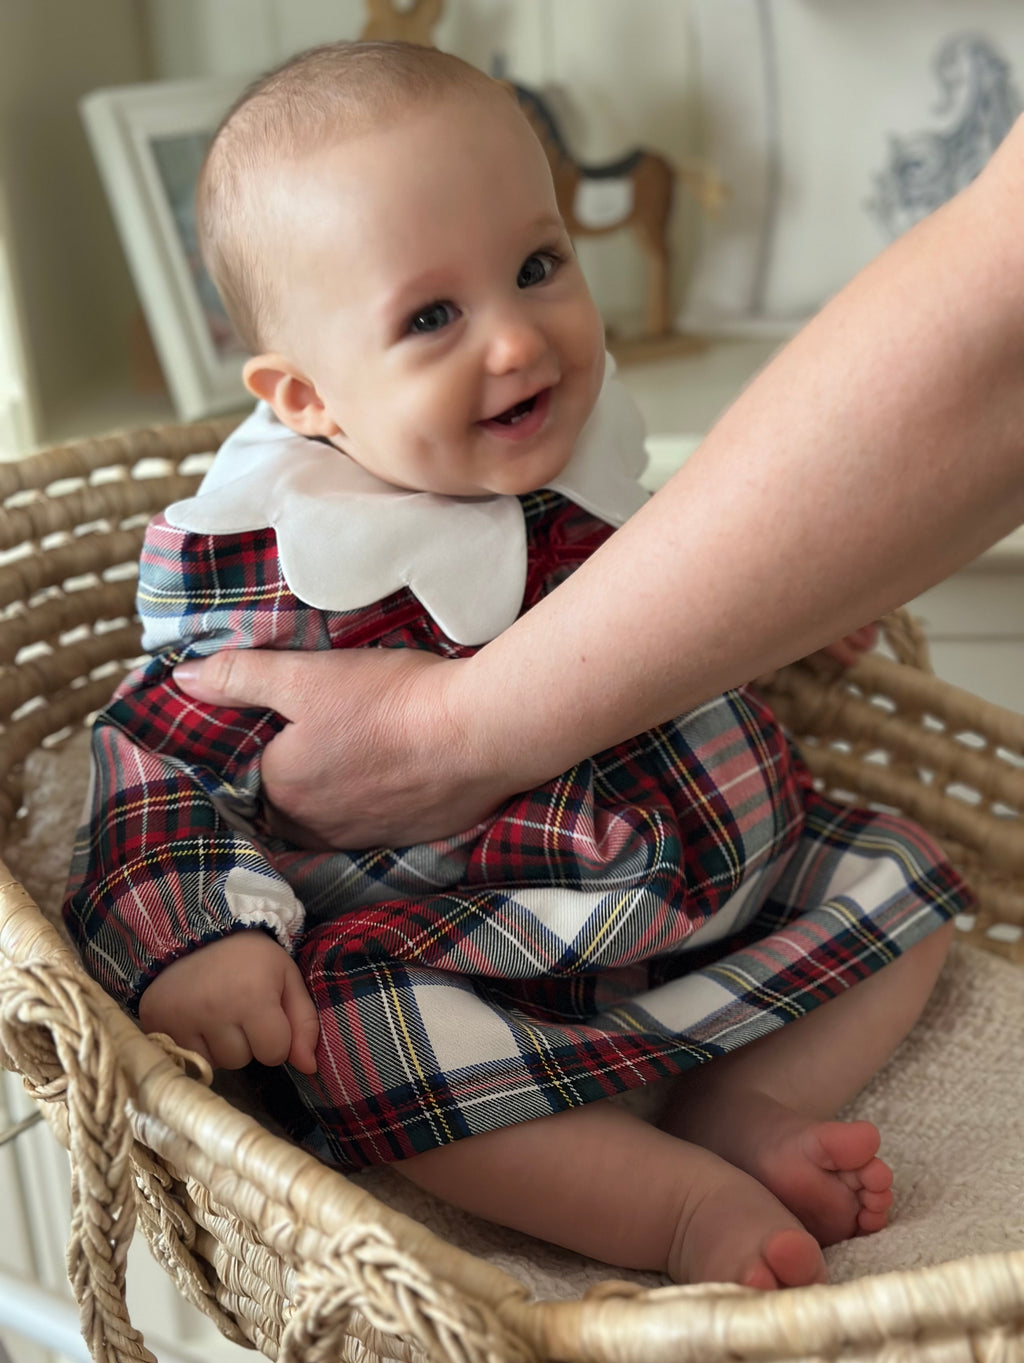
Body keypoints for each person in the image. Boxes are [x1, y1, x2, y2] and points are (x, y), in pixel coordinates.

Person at [65, 41, 969, 1293]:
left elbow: (686, 594)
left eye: (538, 267)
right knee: (356, 1042)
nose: (515, 341)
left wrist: (796, 615)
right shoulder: (283, 573)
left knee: (903, 875)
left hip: (719, 882)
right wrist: (198, 937)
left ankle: (739, 1100)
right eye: (431, 317)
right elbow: (152, 762)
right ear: (307, 395)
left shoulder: (578, 469)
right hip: (473, 956)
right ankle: (668, 1207)